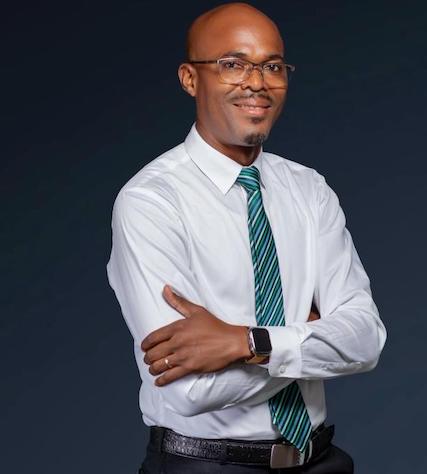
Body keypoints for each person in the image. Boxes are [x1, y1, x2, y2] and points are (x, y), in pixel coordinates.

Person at [106, 2, 387, 473]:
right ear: (190, 78)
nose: (256, 82)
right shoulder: (151, 202)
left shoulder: (309, 189)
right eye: (233, 64)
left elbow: (365, 341)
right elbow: (190, 390)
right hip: (207, 466)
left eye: (272, 66)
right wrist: (310, 335)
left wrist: (246, 342)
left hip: (320, 460)